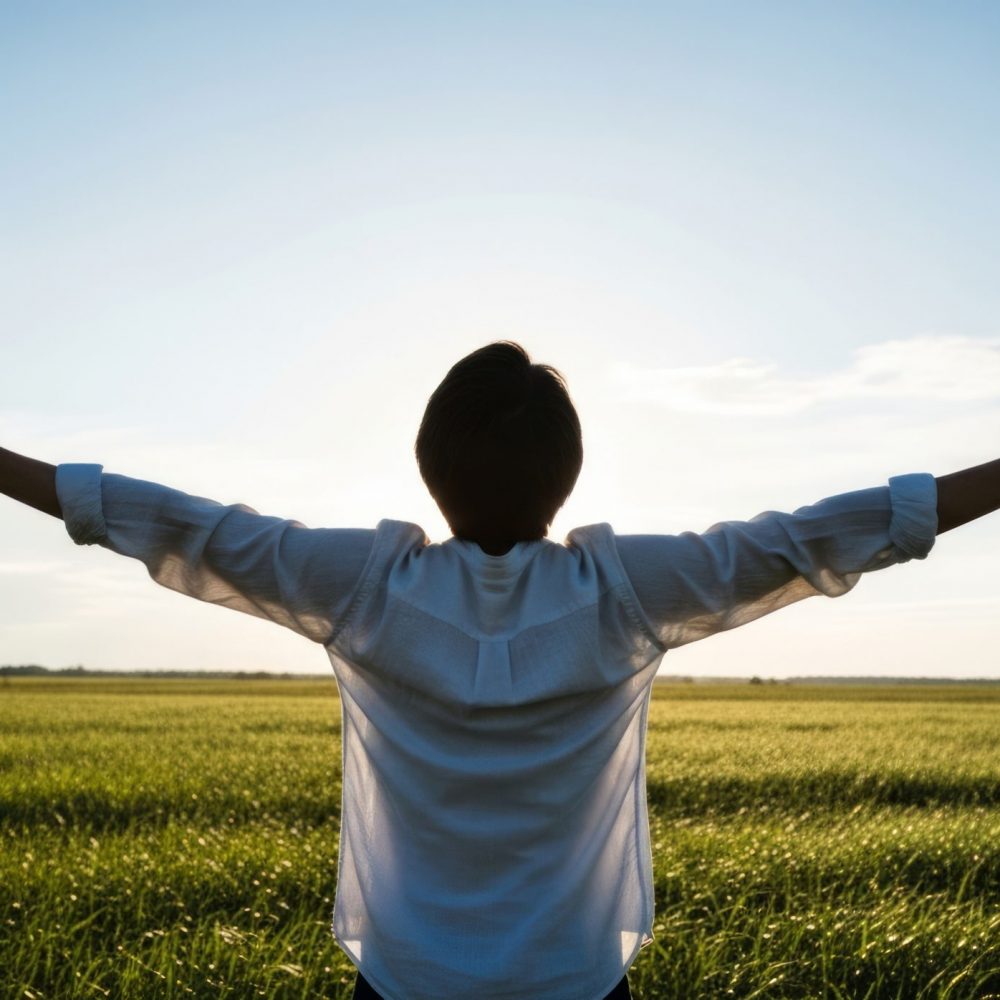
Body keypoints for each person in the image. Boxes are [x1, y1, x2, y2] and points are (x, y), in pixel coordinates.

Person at [1, 341, 998, 1000]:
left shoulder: (362, 585)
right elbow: (820, 535)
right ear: (565, 479)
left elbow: (174, 522)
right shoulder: (625, 590)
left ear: (428, 469)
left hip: (401, 978)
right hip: (575, 979)